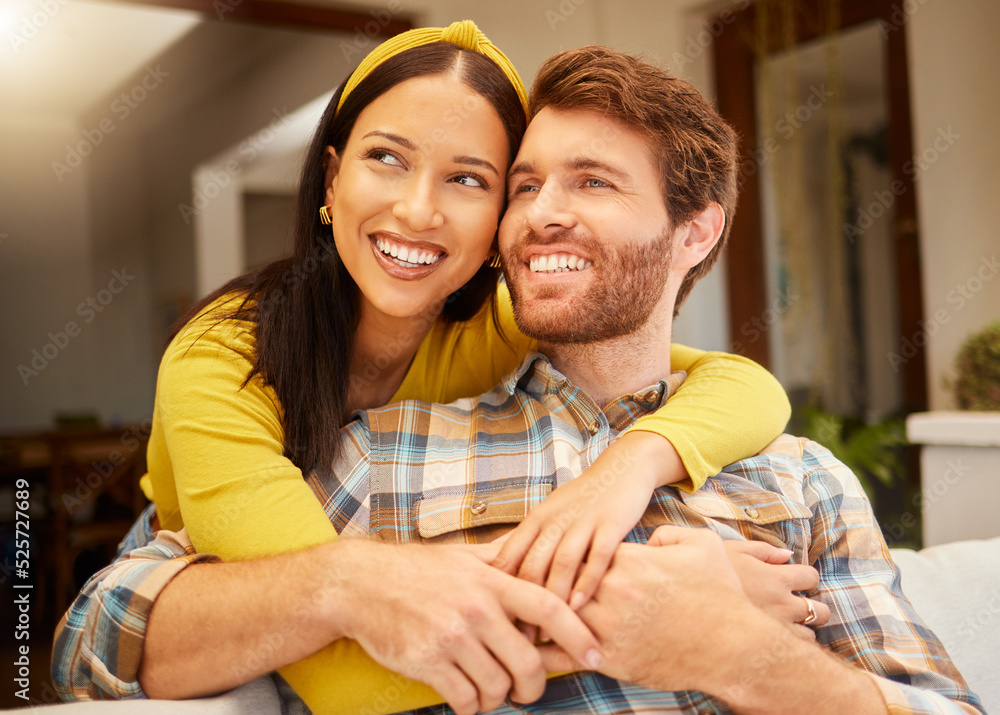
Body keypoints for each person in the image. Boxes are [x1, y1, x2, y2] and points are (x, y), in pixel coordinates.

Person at [55, 41, 982, 715]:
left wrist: (736, 649)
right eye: (527, 185)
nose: (540, 215)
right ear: (330, 181)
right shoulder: (361, 449)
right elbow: (101, 625)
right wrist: (617, 598)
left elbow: (742, 384)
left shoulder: (802, 480)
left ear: (696, 232)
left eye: (593, 182)